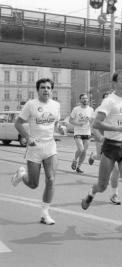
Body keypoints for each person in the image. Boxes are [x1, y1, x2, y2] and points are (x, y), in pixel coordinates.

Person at [80, 69, 122, 240]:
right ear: (114, 84)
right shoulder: (109, 101)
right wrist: (117, 129)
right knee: (102, 186)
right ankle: (92, 192)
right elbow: (96, 124)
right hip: (111, 147)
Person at [11, 78, 62, 225]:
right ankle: (22, 175)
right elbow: (18, 123)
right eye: (42, 88)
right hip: (35, 148)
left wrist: (60, 128)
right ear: (38, 90)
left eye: (48, 88)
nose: (46, 90)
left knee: (51, 179)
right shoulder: (31, 105)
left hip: (50, 147)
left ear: (51, 90)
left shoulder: (56, 105)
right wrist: (28, 137)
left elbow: (56, 123)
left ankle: (45, 213)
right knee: (34, 184)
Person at [89, 91, 121, 205]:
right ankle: (114, 194)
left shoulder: (117, 109)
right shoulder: (99, 110)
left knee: (116, 169)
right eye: (106, 97)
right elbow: (93, 126)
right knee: (115, 168)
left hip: (114, 142)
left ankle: (114, 195)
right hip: (102, 141)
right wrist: (100, 137)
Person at [69, 93, 94, 173]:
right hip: (78, 132)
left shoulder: (91, 109)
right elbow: (70, 120)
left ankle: (79, 167)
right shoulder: (76, 109)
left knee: (84, 151)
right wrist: (78, 124)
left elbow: (93, 120)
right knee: (81, 149)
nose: (85, 100)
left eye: (86, 98)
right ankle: (74, 160)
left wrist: (91, 122)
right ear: (80, 100)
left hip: (87, 132)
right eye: (83, 98)